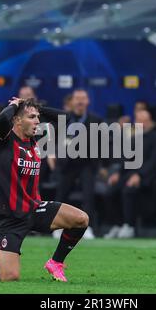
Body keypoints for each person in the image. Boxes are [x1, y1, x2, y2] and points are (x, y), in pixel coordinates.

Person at [0, 97, 89, 282]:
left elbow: (65, 118)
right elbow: (1, 120)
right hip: (9, 217)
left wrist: (36, 107)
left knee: (81, 219)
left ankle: (55, 262)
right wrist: (15, 105)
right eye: (32, 117)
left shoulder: (36, 139)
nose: (37, 121)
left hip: (34, 208)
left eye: (38, 117)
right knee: (9, 276)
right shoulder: (2, 140)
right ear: (17, 120)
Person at [104, 108, 156, 238]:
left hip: (148, 175)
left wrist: (140, 175)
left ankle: (129, 226)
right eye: (138, 120)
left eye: (144, 121)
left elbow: (154, 161)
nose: (141, 123)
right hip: (129, 174)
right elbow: (127, 158)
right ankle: (118, 224)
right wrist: (118, 173)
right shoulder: (134, 138)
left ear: (149, 122)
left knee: (128, 190)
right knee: (110, 192)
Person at [54, 89, 103, 239]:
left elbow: (102, 145)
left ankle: (88, 228)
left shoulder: (97, 121)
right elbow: (55, 140)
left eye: (83, 98)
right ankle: (57, 226)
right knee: (61, 195)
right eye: (77, 98)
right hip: (67, 164)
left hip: (87, 163)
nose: (80, 101)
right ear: (72, 101)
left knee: (88, 196)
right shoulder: (64, 120)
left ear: (88, 101)